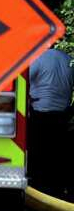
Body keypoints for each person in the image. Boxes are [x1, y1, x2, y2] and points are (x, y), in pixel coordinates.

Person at [27, 47, 73, 196]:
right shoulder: (67, 59)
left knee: (38, 153)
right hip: (62, 115)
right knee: (57, 153)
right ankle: (56, 191)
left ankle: (37, 191)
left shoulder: (38, 57)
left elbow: (23, 80)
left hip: (40, 112)